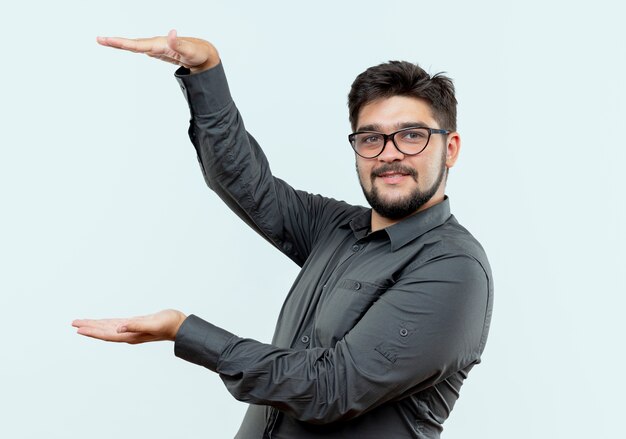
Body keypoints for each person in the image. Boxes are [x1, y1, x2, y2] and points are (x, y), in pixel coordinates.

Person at [73, 30, 493, 439]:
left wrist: (187, 332)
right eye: (371, 138)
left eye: (412, 135)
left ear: (450, 148)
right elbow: (245, 184)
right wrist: (205, 72)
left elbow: (331, 389)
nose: (389, 153)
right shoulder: (338, 228)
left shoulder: (454, 269)